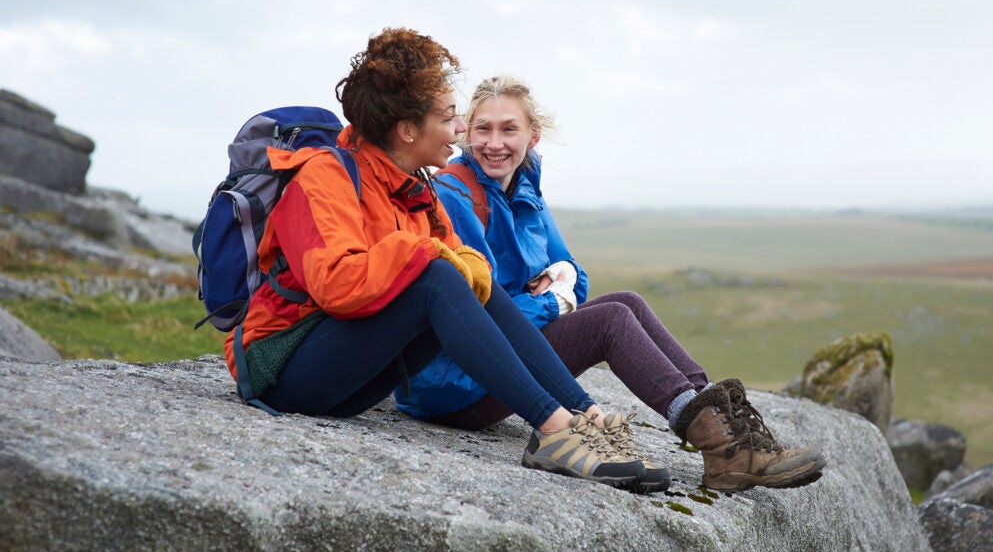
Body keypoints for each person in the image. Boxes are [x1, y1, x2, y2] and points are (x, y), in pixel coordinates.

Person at [223, 28, 665, 491]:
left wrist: (453, 260)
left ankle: (584, 415)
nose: (461, 130)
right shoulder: (323, 179)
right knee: (436, 273)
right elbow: (338, 285)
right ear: (408, 129)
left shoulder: (414, 185)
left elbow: (463, 263)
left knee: (469, 276)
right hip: (285, 370)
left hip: (353, 375)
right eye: (451, 117)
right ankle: (554, 432)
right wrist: (425, 253)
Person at [394, 75, 827, 493]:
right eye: (483, 129)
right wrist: (553, 303)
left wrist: (562, 284)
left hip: (506, 360)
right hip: (456, 383)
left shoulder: (525, 192)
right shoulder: (455, 193)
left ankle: (725, 427)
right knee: (610, 321)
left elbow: (572, 274)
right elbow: (482, 313)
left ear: (533, 135)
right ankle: (720, 446)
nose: (494, 143)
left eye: (509, 129)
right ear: (467, 132)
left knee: (627, 301)